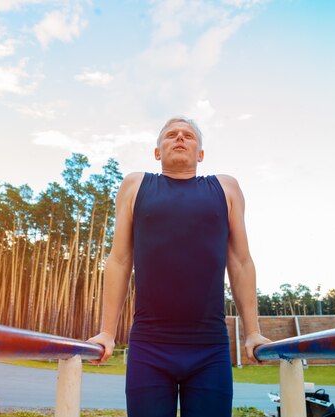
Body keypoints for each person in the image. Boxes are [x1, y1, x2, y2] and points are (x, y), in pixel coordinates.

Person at [87, 116, 271, 417]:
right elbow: (119, 259)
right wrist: (107, 332)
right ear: (157, 152)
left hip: (209, 347)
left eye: (188, 135)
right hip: (149, 347)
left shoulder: (226, 188)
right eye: (171, 134)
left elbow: (240, 261)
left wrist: (253, 332)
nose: (180, 138)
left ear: (200, 154)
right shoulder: (136, 185)